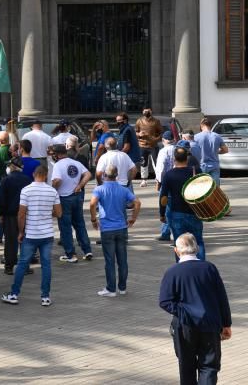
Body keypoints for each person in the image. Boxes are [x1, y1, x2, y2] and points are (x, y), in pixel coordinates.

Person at [159, 233, 232, 385]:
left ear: (177, 251)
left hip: (184, 326)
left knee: (186, 366)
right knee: (209, 366)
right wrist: (226, 324)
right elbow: (222, 298)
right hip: (210, 323)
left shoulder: (172, 272)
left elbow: (165, 301)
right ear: (196, 249)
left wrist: (183, 312)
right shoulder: (209, 268)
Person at [1, 165, 61, 307]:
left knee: (22, 263)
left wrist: (21, 232)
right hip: (47, 234)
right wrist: (48, 214)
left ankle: (14, 294)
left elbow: (21, 214)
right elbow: (59, 213)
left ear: (34, 174)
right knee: (46, 265)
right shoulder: (52, 191)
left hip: (31, 233)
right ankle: (45, 297)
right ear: (46, 175)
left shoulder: (26, 190)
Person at [90, 165, 141, 297]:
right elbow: (137, 202)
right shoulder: (123, 189)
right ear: (117, 175)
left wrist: (93, 220)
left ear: (104, 175)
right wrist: (133, 218)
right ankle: (122, 288)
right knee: (122, 259)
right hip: (121, 228)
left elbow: (92, 203)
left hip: (107, 228)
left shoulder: (99, 189)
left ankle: (111, 289)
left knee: (109, 260)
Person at [160, 148, 205, 260]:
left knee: (179, 243)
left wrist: (162, 214)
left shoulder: (169, 175)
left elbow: (164, 197)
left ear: (174, 159)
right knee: (198, 241)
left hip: (177, 213)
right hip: (195, 212)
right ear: (187, 158)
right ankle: (201, 265)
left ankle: (182, 267)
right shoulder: (196, 171)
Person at [51, 144, 93, 263]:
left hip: (64, 198)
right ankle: (87, 250)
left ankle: (70, 254)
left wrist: (53, 188)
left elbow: (57, 180)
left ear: (57, 154)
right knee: (80, 224)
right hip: (77, 196)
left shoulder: (58, 165)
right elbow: (88, 174)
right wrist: (79, 185)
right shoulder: (75, 162)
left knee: (65, 227)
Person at [0, 157, 33, 275]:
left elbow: (2, 200)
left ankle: (9, 266)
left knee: (10, 241)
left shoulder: (6, 180)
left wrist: (1, 214)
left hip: (10, 215)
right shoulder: (28, 179)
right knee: (25, 240)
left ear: (12, 166)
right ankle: (26, 266)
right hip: (25, 214)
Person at [154, 131, 176, 242]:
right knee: (174, 206)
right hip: (177, 181)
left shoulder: (163, 151)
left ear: (163, 140)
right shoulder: (178, 149)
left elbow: (160, 169)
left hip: (166, 182)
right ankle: (168, 232)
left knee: (166, 206)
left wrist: (158, 182)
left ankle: (166, 233)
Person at [194, 117, 228, 185]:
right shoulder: (217, 136)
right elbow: (225, 150)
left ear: (201, 125)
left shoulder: (196, 137)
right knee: (215, 189)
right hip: (214, 165)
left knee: (202, 188)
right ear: (210, 125)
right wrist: (216, 152)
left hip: (201, 165)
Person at [135, 108, 162, 187]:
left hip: (153, 145)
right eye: (145, 111)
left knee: (156, 162)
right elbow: (136, 131)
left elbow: (161, 133)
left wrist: (155, 139)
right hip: (142, 145)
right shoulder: (139, 121)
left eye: (148, 111)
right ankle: (144, 179)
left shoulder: (156, 121)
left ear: (151, 112)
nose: (146, 112)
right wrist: (139, 134)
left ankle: (158, 179)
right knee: (143, 162)